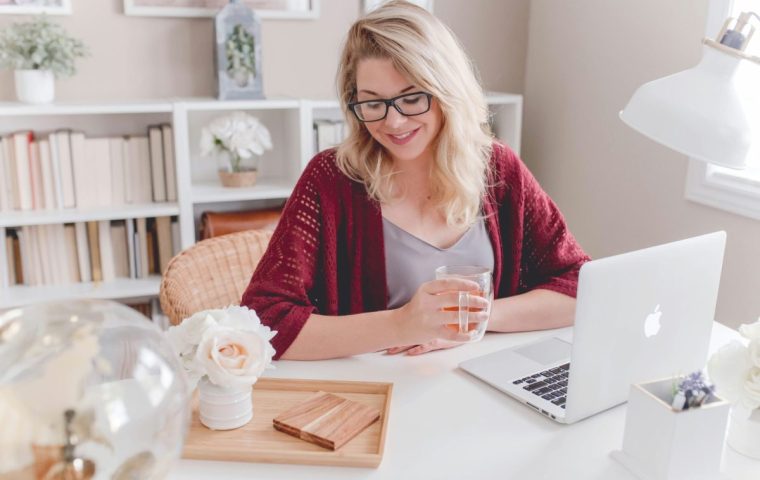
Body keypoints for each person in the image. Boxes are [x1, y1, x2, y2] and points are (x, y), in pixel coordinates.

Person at [241, 0, 589, 360]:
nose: (393, 122)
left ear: (447, 92)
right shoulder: (331, 180)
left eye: (412, 98)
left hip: (478, 385)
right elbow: (264, 321)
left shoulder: (499, 169)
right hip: (373, 395)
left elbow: (580, 285)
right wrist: (402, 324)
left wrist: (473, 319)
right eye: (372, 102)